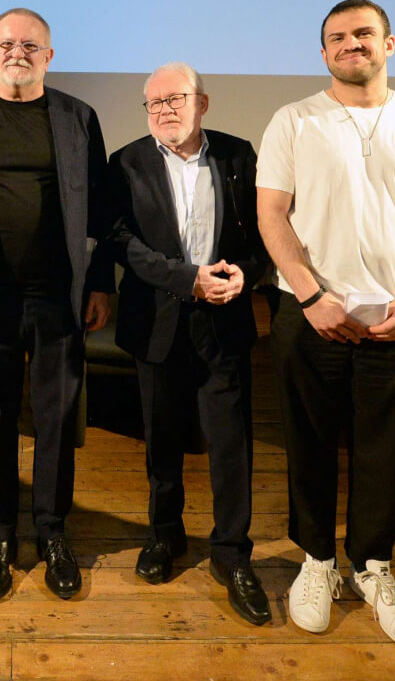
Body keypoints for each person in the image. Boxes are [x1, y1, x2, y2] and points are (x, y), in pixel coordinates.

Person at [256, 0, 395, 651]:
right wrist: (312, 297)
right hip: (310, 314)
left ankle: (373, 567)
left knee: (385, 448)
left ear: (389, 44)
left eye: (362, 34)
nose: (350, 44)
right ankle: (316, 560)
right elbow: (271, 215)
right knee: (308, 442)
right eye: (336, 37)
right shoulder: (292, 121)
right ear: (323, 52)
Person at [0, 7, 113, 602]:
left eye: (30, 45)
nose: (18, 53)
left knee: (56, 420)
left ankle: (53, 532)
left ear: (49, 56)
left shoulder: (78, 118)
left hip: (59, 298)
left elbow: (100, 211)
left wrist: (100, 284)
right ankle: (1, 535)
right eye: (7, 44)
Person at [106, 63, 271, 625]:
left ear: (203, 102)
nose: (165, 111)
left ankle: (232, 553)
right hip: (156, 320)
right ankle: (164, 536)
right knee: (162, 439)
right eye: (154, 103)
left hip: (224, 319)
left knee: (230, 444)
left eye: (175, 99)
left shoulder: (237, 155)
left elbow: (265, 232)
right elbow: (121, 241)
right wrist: (186, 278)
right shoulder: (126, 162)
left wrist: (248, 274)